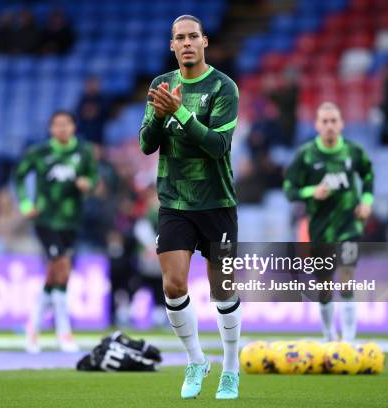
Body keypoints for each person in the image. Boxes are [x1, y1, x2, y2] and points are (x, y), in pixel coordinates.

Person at [139, 15, 241, 400]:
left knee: (222, 290)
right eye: (179, 38)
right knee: (173, 283)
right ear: (171, 45)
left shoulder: (223, 87)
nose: (186, 43)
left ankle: (231, 366)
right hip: (175, 200)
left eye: (192, 37)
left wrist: (180, 113)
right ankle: (196, 359)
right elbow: (146, 144)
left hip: (217, 201)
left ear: (205, 42)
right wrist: (160, 115)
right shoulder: (160, 86)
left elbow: (218, 146)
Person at [283, 102, 374, 343]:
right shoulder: (306, 155)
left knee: (346, 276)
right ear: (317, 125)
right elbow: (290, 189)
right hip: (320, 231)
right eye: (325, 121)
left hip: (349, 226)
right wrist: (312, 191)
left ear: (341, 124)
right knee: (324, 287)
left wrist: (366, 201)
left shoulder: (354, 152)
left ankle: (350, 341)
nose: (330, 126)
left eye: (334, 121)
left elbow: (368, 176)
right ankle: (328, 335)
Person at [14, 111, 97, 353]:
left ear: (73, 127)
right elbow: (19, 176)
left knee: (57, 275)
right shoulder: (39, 152)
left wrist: (87, 184)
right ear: (51, 129)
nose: (62, 129)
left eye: (66, 124)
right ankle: (64, 332)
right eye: (57, 125)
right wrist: (25, 203)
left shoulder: (83, 152)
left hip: (71, 221)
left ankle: (33, 328)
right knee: (61, 266)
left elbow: (93, 176)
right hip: (46, 219)